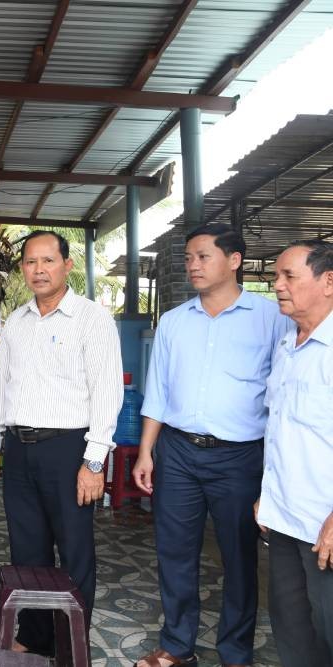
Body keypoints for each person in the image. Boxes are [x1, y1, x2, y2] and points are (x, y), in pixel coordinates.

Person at [131, 224, 290, 667]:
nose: (193, 266)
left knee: (239, 557)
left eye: (203, 256)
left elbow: (282, 395)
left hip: (240, 456)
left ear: (234, 260)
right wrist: (147, 451)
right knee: (174, 551)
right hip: (178, 452)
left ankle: (235, 651)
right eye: (189, 259)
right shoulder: (174, 322)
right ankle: (177, 645)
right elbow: (158, 391)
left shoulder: (272, 318)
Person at [0, 230, 122, 657]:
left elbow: (107, 391)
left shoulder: (92, 318)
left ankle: (68, 643)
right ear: (22, 268)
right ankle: (35, 635)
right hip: (20, 451)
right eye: (30, 262)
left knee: (74, 551)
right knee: (28, 551)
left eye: (47, 261)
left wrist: (94, 461)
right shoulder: (16, 322)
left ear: (67, 265)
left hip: (69, 451)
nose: (38, 270)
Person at [256, 240, 333, 667]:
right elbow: (282, 429)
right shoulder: (288, 344)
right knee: (292, 628)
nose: (278, 285)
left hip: (325, 526)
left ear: (328, 281)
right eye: (276, 276)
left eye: (289, 276)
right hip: (285, 518)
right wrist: (267, 496)